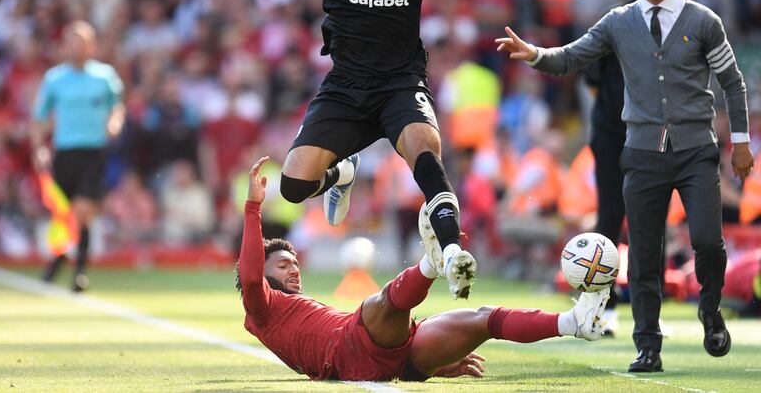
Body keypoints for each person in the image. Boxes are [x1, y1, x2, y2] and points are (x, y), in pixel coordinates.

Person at [132, 0, 595, 299]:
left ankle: (454, 252)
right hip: (346, 85)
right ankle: (342, 174)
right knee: (293, 187)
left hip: (401, 82)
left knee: (425, 150)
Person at [495, 0, 754, 372]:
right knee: (644, 252)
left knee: (709, 242)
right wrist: (533, 53)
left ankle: (711, 311)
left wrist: (742, 142)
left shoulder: (703, 20)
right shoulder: (617, 22)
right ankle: (647, 345)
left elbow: (732, 81)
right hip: (642, 152)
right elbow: (571, 57)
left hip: (696, 150)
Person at [235, 156, 610, 382]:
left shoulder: (290, 307)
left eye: (295, 263)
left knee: (485, 318)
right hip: (353, 349)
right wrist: (253, 208)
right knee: (377, 304)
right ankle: (432, 263)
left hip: (398, 356)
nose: (295, 270)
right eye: (284, 266)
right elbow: (251, 276)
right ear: (264, 274)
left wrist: (434, 366)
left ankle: (574, 322)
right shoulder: (261, 308)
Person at [31, 20, 125, 291]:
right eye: (72, 42)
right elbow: (39, 117)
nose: (77, 48)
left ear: (91, 46)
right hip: (65, 152)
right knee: (63, 214)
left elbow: (117, 106)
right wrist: (39, 147)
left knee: (83, 211)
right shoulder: (55, 79)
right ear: (65, 47)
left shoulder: (105, 77)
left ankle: (79, 272)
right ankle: (58, 261)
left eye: (82, 43)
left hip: (92, 151)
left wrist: (115, 122)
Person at [583, 53, 627, 335]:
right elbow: (592, 77)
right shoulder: (613, 25)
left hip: (647, 136)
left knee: (650, 220)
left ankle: (650, 310)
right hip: (613, 134)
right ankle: (603, 306)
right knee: (611, 220)